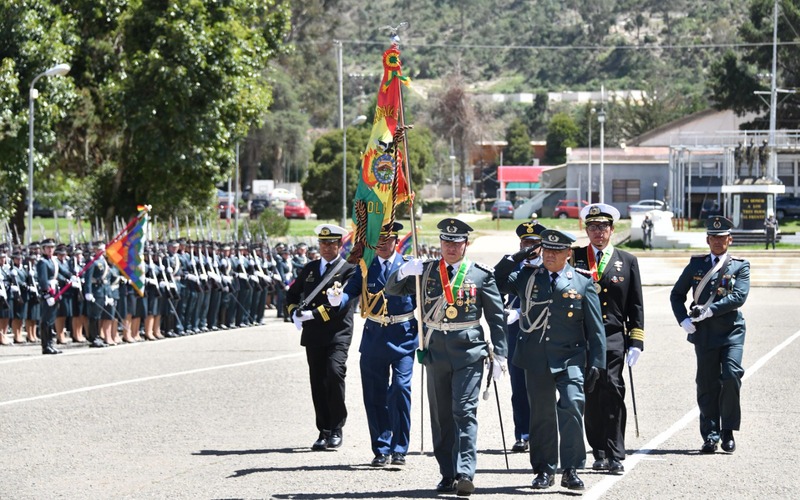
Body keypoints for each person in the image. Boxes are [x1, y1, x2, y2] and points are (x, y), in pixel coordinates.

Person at [385, 218, 508, 497]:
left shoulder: (480, 275)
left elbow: (496, 318)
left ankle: (465, 473)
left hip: (469, 353)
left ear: (466, 244)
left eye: (457, 243)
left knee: (464, 412)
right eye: (446, 242)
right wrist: (403, 271)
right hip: (435, 352)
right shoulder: (426, 271)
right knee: (441, 417)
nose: (451, 248)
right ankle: (448, 473)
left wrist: (500, 354)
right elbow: (392, 289)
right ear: (441, 243)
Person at [494, 229, 605, 491]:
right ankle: (544, 469)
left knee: (572, 406)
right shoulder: (527, 276)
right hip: (536, 357)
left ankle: (571, 469)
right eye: (547, 250)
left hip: (570, 357)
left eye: (557, 251)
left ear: (568, 253)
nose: (550, 255)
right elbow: (497, 280)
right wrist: (518, 256)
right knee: (541, 415)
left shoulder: (581, 282)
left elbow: (595, 327)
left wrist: (597, 362)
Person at [327, 222, 417, 467]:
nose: (381, 244)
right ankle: (381, 448)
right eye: (378, 240)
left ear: (396, 240)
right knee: (374, 395)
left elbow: (424, 300)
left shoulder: (409, 265)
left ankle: (399, 448)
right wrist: (338, 299)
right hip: (375, 336)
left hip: (403, 335)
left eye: (387, 240)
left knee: (400, 389)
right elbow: (351, 291)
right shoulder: (366, 266)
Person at [572, 203, 645, 474]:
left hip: (613, 335)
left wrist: (636, 341)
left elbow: (635, 304)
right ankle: (599, 451)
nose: (598, 232)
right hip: (583, 336)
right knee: (590, 392)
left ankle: (616, 452)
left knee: (613, 389)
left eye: (603, 227)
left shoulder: (627, 260)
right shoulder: (574, 258)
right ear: (586, 230)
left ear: (612, 230)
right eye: (592, 227)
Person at [670, 216, 750, 454]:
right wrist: (683, 319)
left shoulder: (740, 266)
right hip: (704, 333)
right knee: (706, 383)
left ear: (730, 240)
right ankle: (711, 436)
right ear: (707, 240)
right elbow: (676, 294)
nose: (717, 241)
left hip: (731, 331)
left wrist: (710, 310)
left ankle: (728, 430)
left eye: (722, 237)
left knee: (731, 375)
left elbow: (739, 297)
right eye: (713, 237)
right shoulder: (697, 264)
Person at [286, 224, 356, 451]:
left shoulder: (348, 270)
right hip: (314, 334)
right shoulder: (310, 268)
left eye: (331, 243)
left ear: (339, 245)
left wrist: (312, 315)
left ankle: (336, 428)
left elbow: (342, 305)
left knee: (334, 374)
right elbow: (292, 294)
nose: (326, 247)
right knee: (317, 382)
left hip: (337, 333)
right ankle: (323, 431)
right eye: (323, 243)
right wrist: (294, 313)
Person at [493, 221, 546, 454]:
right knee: (519, 385)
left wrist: (522, 312)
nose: (530, 247)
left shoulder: (550, 265)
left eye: (534, 243)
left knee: (543, 386)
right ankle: (523, 434)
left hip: (543, 332)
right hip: (516, 332)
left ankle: (543, 433)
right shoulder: (513, 265)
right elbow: (495, 285)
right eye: (526, 242)